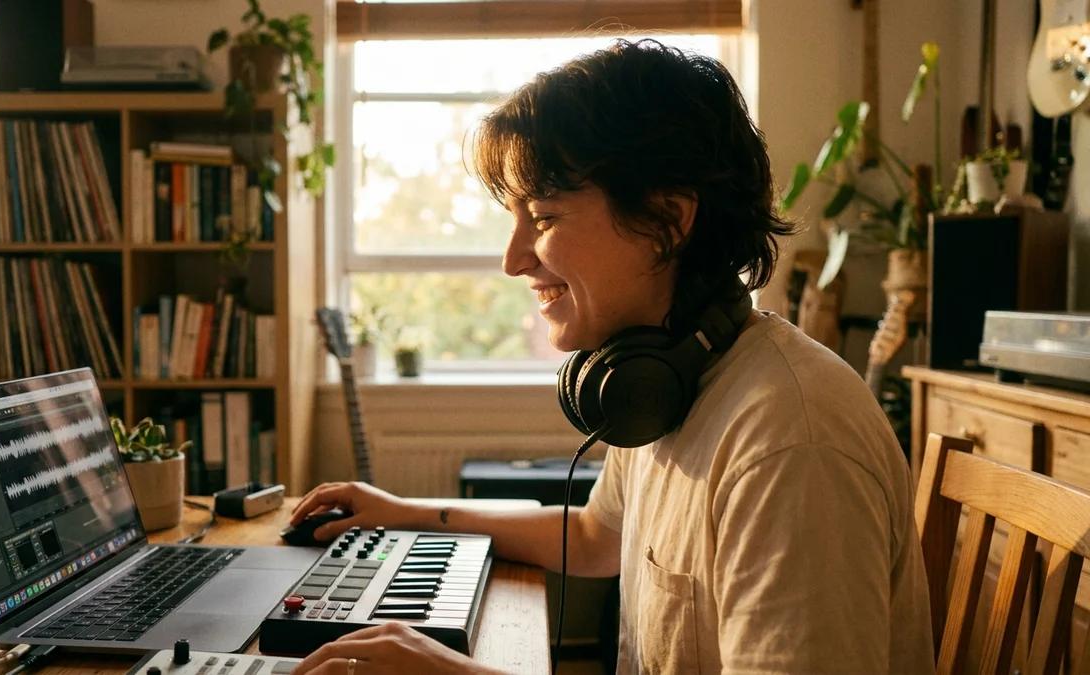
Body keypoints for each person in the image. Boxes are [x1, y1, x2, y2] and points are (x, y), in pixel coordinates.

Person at [289, 38, 934, 675]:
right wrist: (407, 515)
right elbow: (597, 538)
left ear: (667, 219)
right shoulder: (664, 377)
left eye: (541, 217)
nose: (513, 259)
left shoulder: (791, 444)